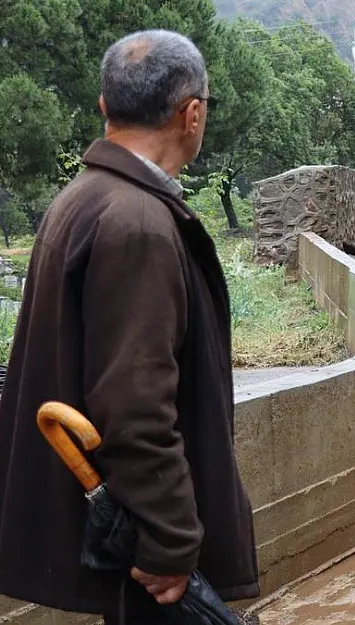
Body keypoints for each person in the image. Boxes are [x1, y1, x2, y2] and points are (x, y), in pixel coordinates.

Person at [0, 30, 259, 623]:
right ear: (191, 115)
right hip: (145, 555)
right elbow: (134, 405)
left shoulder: (84, 197)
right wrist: (169, 543)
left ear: (104, 108)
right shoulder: (138, 221)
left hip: (121, 533)